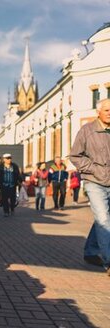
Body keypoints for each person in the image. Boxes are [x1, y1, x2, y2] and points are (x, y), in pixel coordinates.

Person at [70, 98, 110, 275]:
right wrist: (95, 170)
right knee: (103, 219)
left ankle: (91, 251)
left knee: (102, 220)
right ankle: (109, 261)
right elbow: (75, 156)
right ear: (98, 112)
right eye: (107, 110)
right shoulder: (87, 130)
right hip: (95, 182)